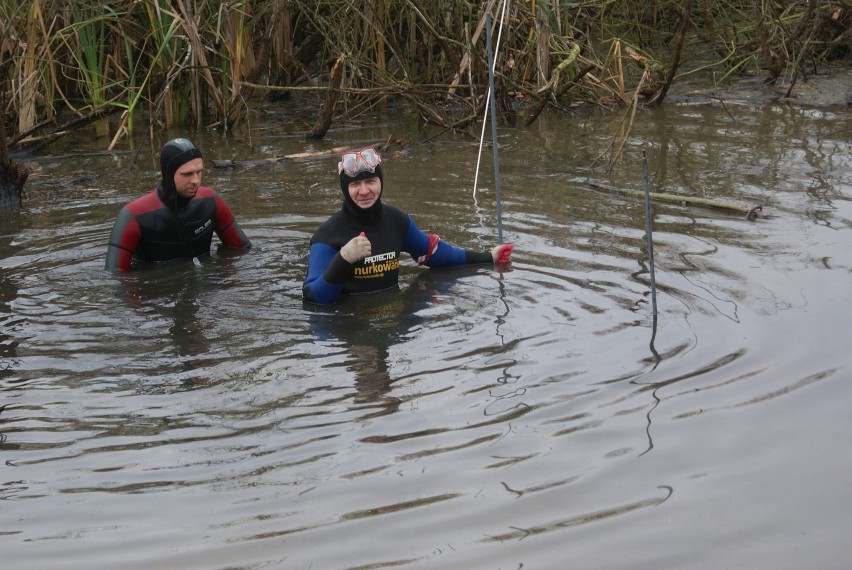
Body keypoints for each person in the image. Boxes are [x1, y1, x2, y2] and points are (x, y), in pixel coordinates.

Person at [303, 147, 513, 304]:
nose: (364, 191)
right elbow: (313, 298)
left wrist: (489, 257)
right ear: (345, 189)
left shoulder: (397, 222)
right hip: (350, 324)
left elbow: (436, 254)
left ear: (381, 182)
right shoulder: (328, 236)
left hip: (393, 318)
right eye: (355, 184)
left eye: (371, 182)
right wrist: (344, 259)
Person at [105, 138, 251, 271]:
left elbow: (243, 251)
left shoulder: (211, 201)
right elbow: (115, 279)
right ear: (169, 175)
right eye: (187, 174)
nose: (196, 180)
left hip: (206, 289)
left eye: (199, 172)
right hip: (157, 292)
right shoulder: (133, 216)